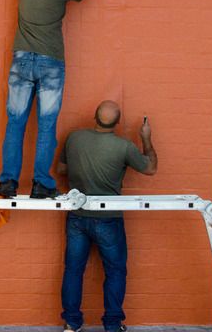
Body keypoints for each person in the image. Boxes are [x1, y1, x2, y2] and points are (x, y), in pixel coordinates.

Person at [0, 0, 102, 199]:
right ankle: (41, 183)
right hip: (50, 62)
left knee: (15, 124)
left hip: (21, 60)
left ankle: (8, 182)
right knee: (46, 125)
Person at [57, 100, 158, 332]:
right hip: (108, 218)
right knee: (115, 270)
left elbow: (61, 170)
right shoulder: (124, 147)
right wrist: (145, 137)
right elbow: (151, 168)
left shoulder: (74, 138)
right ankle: (112, 325)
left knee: (73, 270)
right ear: (118, 122)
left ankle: (71, 323)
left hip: (77, 215)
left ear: (94, 116)